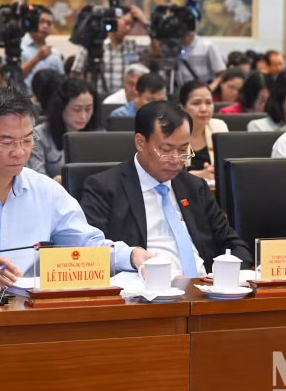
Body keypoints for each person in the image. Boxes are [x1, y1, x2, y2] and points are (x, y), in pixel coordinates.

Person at [0, 86, 153, 287]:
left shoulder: (47, 191)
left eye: (27, 140)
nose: (19, 152)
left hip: (32, 312)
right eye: (6, 142)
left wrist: (131, 255)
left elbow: (87, 246)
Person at [81, 101, 252, 276]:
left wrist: (227, 275)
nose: (177, 160)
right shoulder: (104, 187)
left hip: (204, 289)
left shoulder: (194, 187)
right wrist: (131, 257)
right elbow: (91, 253)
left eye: (183, 149)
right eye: (166, 150)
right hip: (146, 292)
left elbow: (233, 245)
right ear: (140, 142)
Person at [27, 78, 98, 179]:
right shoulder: (39, 136)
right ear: (61, 108)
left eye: (88, 109)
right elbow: (36, 179)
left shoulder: (98, 134)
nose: (83, 116)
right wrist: (56, 181)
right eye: (76, 109)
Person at [71, 6, 150, 95]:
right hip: (97, 100)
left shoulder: (133, 47)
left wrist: (145, 22)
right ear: (112, 20)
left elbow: (157, 51)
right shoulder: (91, 45)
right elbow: (75, 76)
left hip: (123, 101)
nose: (128, 28)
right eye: (126, 23)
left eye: (131, 26)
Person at [179, 80, 227, 180]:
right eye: (196, 103)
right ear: (182, 107)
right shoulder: (172, 131)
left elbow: (226, 167)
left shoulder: (219, 126)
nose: (204, 109)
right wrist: (199, 174)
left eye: (209, 102)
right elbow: (166, 173)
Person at [20, 5, 64, 92]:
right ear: (31, 22)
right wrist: (37, 58)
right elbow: (12, 78)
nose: (45, 26)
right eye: (41, 21)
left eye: (49, 23)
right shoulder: (18, 48)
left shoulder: (55, 53)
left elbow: (62, 81)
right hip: (24, 101)